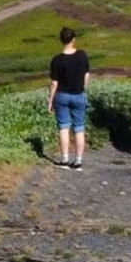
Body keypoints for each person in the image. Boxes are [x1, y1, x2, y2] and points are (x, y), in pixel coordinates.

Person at [47, 26, 90, 169]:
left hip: (62, 96)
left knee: (63, 127)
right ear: (74, 39)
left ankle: (64, 159)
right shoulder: (82, 55)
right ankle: (78, 160)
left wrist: (50, 101)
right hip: (78, 94)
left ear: (61, 40)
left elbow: (54, 83)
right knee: (79, 128)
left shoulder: (57, 60)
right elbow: (86, 75)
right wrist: (82, 88)